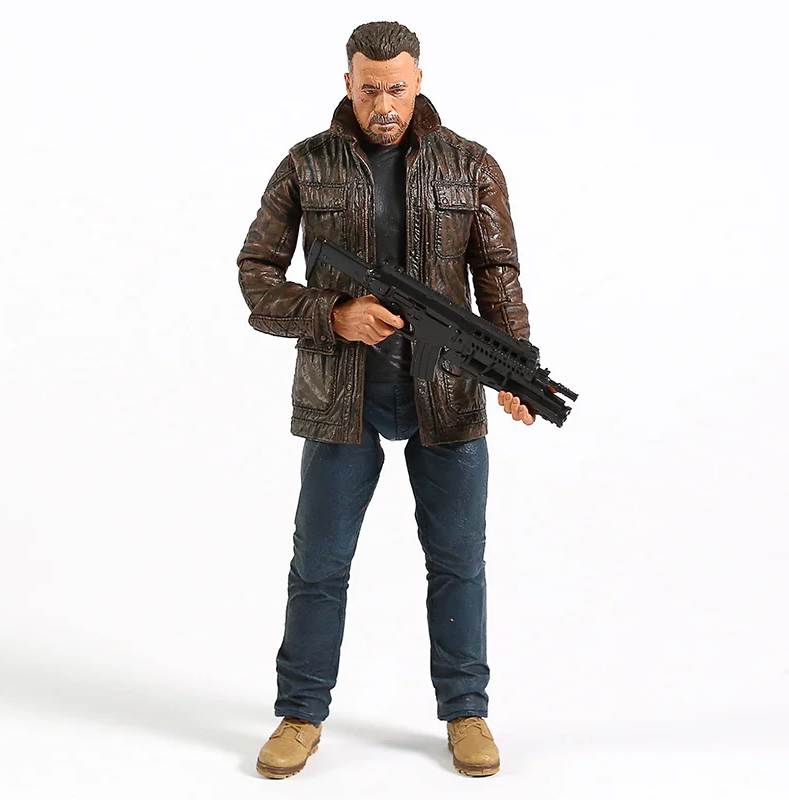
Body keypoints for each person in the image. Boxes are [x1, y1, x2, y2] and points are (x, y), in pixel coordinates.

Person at [237, 20, 534, 779]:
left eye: (396, 87)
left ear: (419, 81)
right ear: (349, 84)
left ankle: (466, 711)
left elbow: (498, 272)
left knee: (459, 562)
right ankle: (301, 713)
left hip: (448, 393)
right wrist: (332, 314)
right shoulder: (307, 163)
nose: (384, 104)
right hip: (343, 395)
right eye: (370, 89)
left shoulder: (470, 165)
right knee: (319, 563)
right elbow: (257, 274)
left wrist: (515, 369)